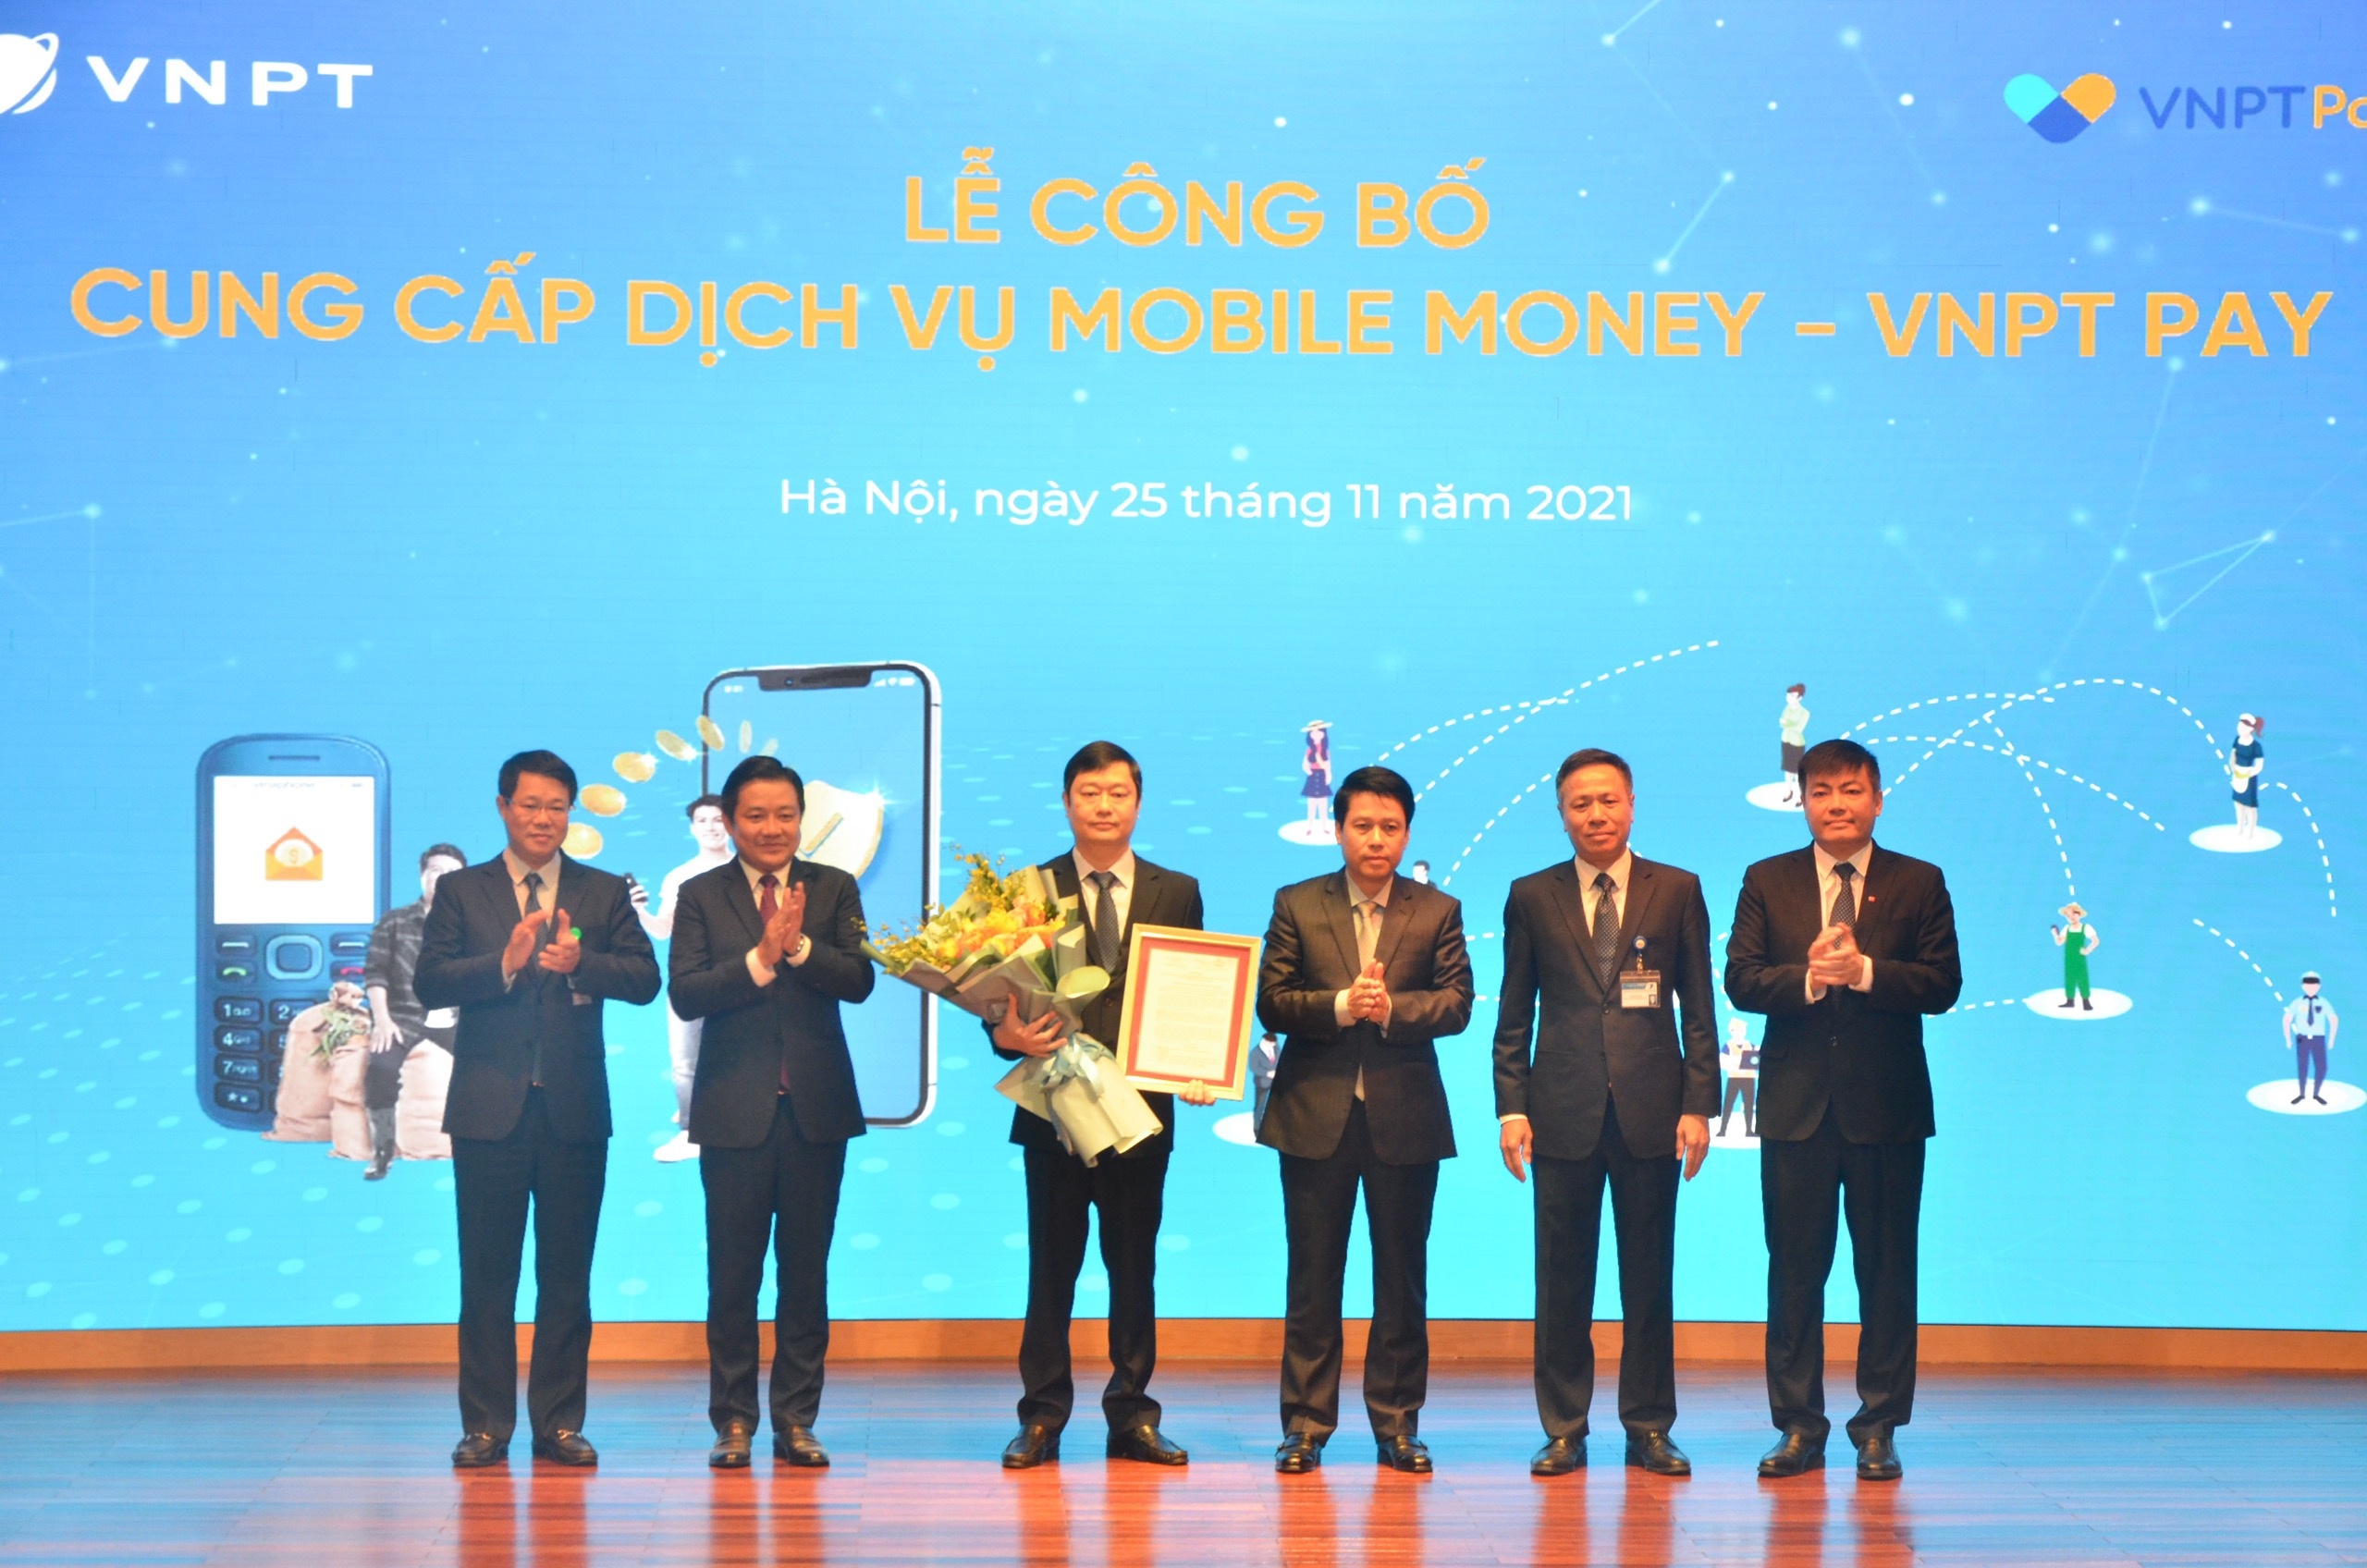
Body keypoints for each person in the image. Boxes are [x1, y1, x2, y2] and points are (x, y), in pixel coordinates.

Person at [414, 750, 661, 1470]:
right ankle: (484, 1426)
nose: (544, 818)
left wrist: (584, 964)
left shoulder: (601, 890)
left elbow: (645, 979)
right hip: (488, 1109)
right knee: (486, 1278)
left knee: (567, 1278)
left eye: (556, 806)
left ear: (570, 812)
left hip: (574, 1111)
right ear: (503, 807)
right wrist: (505, 963)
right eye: (530, 805)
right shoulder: (462, 891)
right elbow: (430, 982)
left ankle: (559, 1423)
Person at [1724, 738, 1960, 1483]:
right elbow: (1741, 979)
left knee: (1887, 1273)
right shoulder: (1768, 879)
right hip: (1795, 1111)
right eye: (1821, 791)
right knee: (1794, 1274)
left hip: (1887, 1110)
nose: (1836, 805)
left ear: (1878, 800)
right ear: (1803, 801)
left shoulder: (1919, 881)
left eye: (1851, 790)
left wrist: (1863, 972)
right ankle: (1798, 1426)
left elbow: (1943, 984)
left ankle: (1878, 1425)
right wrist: (1809, 978)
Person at [1492, 749, 1717, 1478]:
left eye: (1608, 800)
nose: (1596, 815)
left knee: (1649, 1279)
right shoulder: (1532, 895)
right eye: (1580, 804)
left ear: (1632, 804)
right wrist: (1510, 1108)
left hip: (1653, 1112)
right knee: (1561, 1280)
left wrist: (1699, 1104)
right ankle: (1564, 1427)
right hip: (1560, 1112)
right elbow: (1513, 1014)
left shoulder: (1676, 889)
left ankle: (1649, 1426)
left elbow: (1700, 1010)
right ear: (1562, 815)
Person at [989, 741, 1212, 1469]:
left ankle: (1133, 1416)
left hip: (1141, 1114)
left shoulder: (1177, 890)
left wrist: (1198, 1064)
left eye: (1118, 793)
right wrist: (1004, 1033)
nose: (1104, 806)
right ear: (1067, 803)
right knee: (1050, 1270)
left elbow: (1195, 990)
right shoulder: (1029, 888)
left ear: (1138, 803)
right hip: (1053, 1109)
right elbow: (999, 994)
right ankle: (1042, 1417)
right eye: (1090, 793)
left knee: (1134, 1267)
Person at [1257, 765, 1475, 1475]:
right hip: (1313, 1116)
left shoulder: (1437, 910)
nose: (1376, 839)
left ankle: (1398, 1425)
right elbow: (1272, 1000)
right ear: (1339, 829)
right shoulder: (1297, 903)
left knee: (1401, 1279)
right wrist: (1340, 1006)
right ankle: (1305, 1425)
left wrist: (1391, 1011)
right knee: (1312, 1279)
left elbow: (1457, 1003)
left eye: (1390, 827)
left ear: (1406, 833)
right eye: (1362, 826)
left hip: (1404, 1119)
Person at [666, 757, 876, 1470]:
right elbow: (687, 993)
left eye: (785, 814)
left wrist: (801, 945)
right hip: (734, 1111)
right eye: (756, 815)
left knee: (805, 1273)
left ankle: (796, 1420)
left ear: (801, 819)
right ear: (730, 822)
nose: (773, 828)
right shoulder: (700, 894)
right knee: (733, 1275)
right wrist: (760, 958)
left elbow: (859, 980)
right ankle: (732, 1420)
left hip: (816, 1109)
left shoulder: (834, 887)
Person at [632, 794, 734, 1163]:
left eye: (718, 819)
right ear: (692, 828)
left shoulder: (747, 870)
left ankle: (730, 1123)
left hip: (738, 978)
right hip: (690, 979)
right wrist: (639, 910)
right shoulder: (680, 875)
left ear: (731, 823)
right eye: (702, 820)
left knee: (736, 1055)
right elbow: (663, 930)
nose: (711, 827)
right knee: (685, 1059)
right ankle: (691, 1132)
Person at [362, 843, 467, 1180]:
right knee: (380, 1068)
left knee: (491, 1067)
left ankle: (481, 1147)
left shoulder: (473, 925)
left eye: (452, 873)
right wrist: (382, 1020)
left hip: (455, 1017)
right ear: (423, 875)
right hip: (404, 1017)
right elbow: (375, 973)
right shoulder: (394, 921)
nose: (443, 878)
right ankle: (382, 1151)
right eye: (436, 870)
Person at [2286, 972, 2338, 1107]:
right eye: (2307, 984)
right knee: (2303, 1066)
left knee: (2322, 1066)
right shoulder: (2297, 1002)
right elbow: (2287, 1019)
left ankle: (2316, 1093)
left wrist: (2332, 1038)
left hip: (2318, 1038)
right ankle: (2301, 1094)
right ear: (2303, 986)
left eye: (2314, 984)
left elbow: (2333, 1019)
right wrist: (2288, 1038)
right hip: (2302, 1038)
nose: (2311, 987)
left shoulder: (2323, 1002)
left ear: (2319, 986)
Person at [2051, 903, 2100, 1011]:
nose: (2071, 917)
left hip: (2080, 958)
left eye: (2073, 914)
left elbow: (2096, 941)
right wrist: (2055, 934)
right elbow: (2060, 942)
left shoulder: (2086, 927)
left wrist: (2087, 950)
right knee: (2069, 978)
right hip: (2069, 958)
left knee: (2082, 977)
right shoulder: (2066, 928)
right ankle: (2070, 1001)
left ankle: (2086, 1002)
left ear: (2079, 914)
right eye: (2068, 916)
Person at [1718, 1018, 1760, 1140]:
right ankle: (1723, 1130)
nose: (1740, 1032)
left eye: (1742, 1030)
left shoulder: (1750, 1045)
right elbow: (1723, 1062)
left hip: (1749, 1079)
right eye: (1737, 1030)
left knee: (1749, 1105)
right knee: (1728, 1104)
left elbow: (1757, 1060)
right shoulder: (1728, 1046)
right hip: (1733, 1079)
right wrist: (1738, 1062)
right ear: (1732, 1031)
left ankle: (1749, 1130)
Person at [2229, 714, 2266, 839]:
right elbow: (2233, 755)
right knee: (2238, 803)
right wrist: (2233, 767)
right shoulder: (2237, 740)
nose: (2240, 729)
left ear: (2251, 729)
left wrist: (2250, 773)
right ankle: (2240, 827)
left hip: (2249, 777)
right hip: (2237, 775)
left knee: (2250, 806)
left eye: (2243, 727)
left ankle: (2250, 832)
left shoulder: (2256, 746)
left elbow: (2259, 765)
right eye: (2239, 726)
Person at [1779, 684, 1810, 806]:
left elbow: (1799, 728)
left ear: (1800, 698)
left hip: (1797, 743)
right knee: (1787, 768)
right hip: (1786, 740)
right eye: (1788, 695)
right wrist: (1789, 724)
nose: (1790, 698)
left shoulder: (1804, 712)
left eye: (1793, 696)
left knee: (1798, 770)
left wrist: (1788, 723)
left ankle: (1800, 795)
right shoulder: (1787, 708)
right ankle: (1788, 791)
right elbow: (1781, 722)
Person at [1300, 720, 1333, 831]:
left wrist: (1328, 775)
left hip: (1322, 776)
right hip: (1313, 777)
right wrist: (1310, 773)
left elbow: (1328, 766)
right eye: (1313, 732)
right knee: (1312, 804)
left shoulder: (1325, 751)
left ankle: (1324, 827)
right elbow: (1305, 765)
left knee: (1323, 804)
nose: (1316, 734)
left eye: (1319, 731)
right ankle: (1309, 827)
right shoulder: (1309, 750)